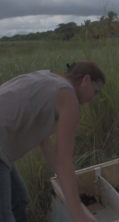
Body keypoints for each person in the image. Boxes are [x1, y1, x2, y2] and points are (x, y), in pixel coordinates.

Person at [0, 61, 105, 222]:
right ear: (85, 80)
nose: (93, 99)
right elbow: (64, 161)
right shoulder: (69, 100)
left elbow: (44, 140)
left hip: (4, 151)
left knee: (19, 199)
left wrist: (63, 174)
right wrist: (80, 215)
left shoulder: (50, 77)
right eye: (96, 91)